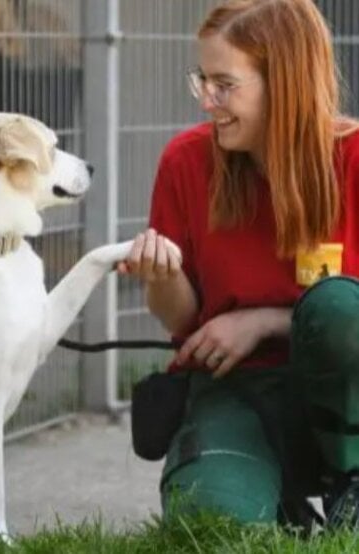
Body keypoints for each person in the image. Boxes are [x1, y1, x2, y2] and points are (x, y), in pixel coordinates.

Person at [118, 0, 359, 527]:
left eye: (224, 85)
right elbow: (183, 323)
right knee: (209, 520)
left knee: (341, 308)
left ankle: (352, 481)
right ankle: (275, 506)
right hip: (237, 392)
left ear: (286, 82)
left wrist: (266, 321)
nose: (207, 100)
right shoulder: (184, 162)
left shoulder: (354, 157)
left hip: (345, 396)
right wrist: (164, 278)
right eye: (202, 80)